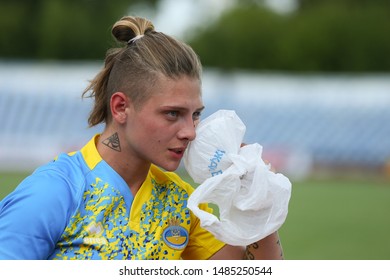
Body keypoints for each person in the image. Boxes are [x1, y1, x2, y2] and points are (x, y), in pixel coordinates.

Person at [0, 16, 284, 260]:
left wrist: (258, 201)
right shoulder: (54, 192)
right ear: (121, 107)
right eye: (172, 113)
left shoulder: (182, 201)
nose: (190, 132)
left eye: (195, 114)